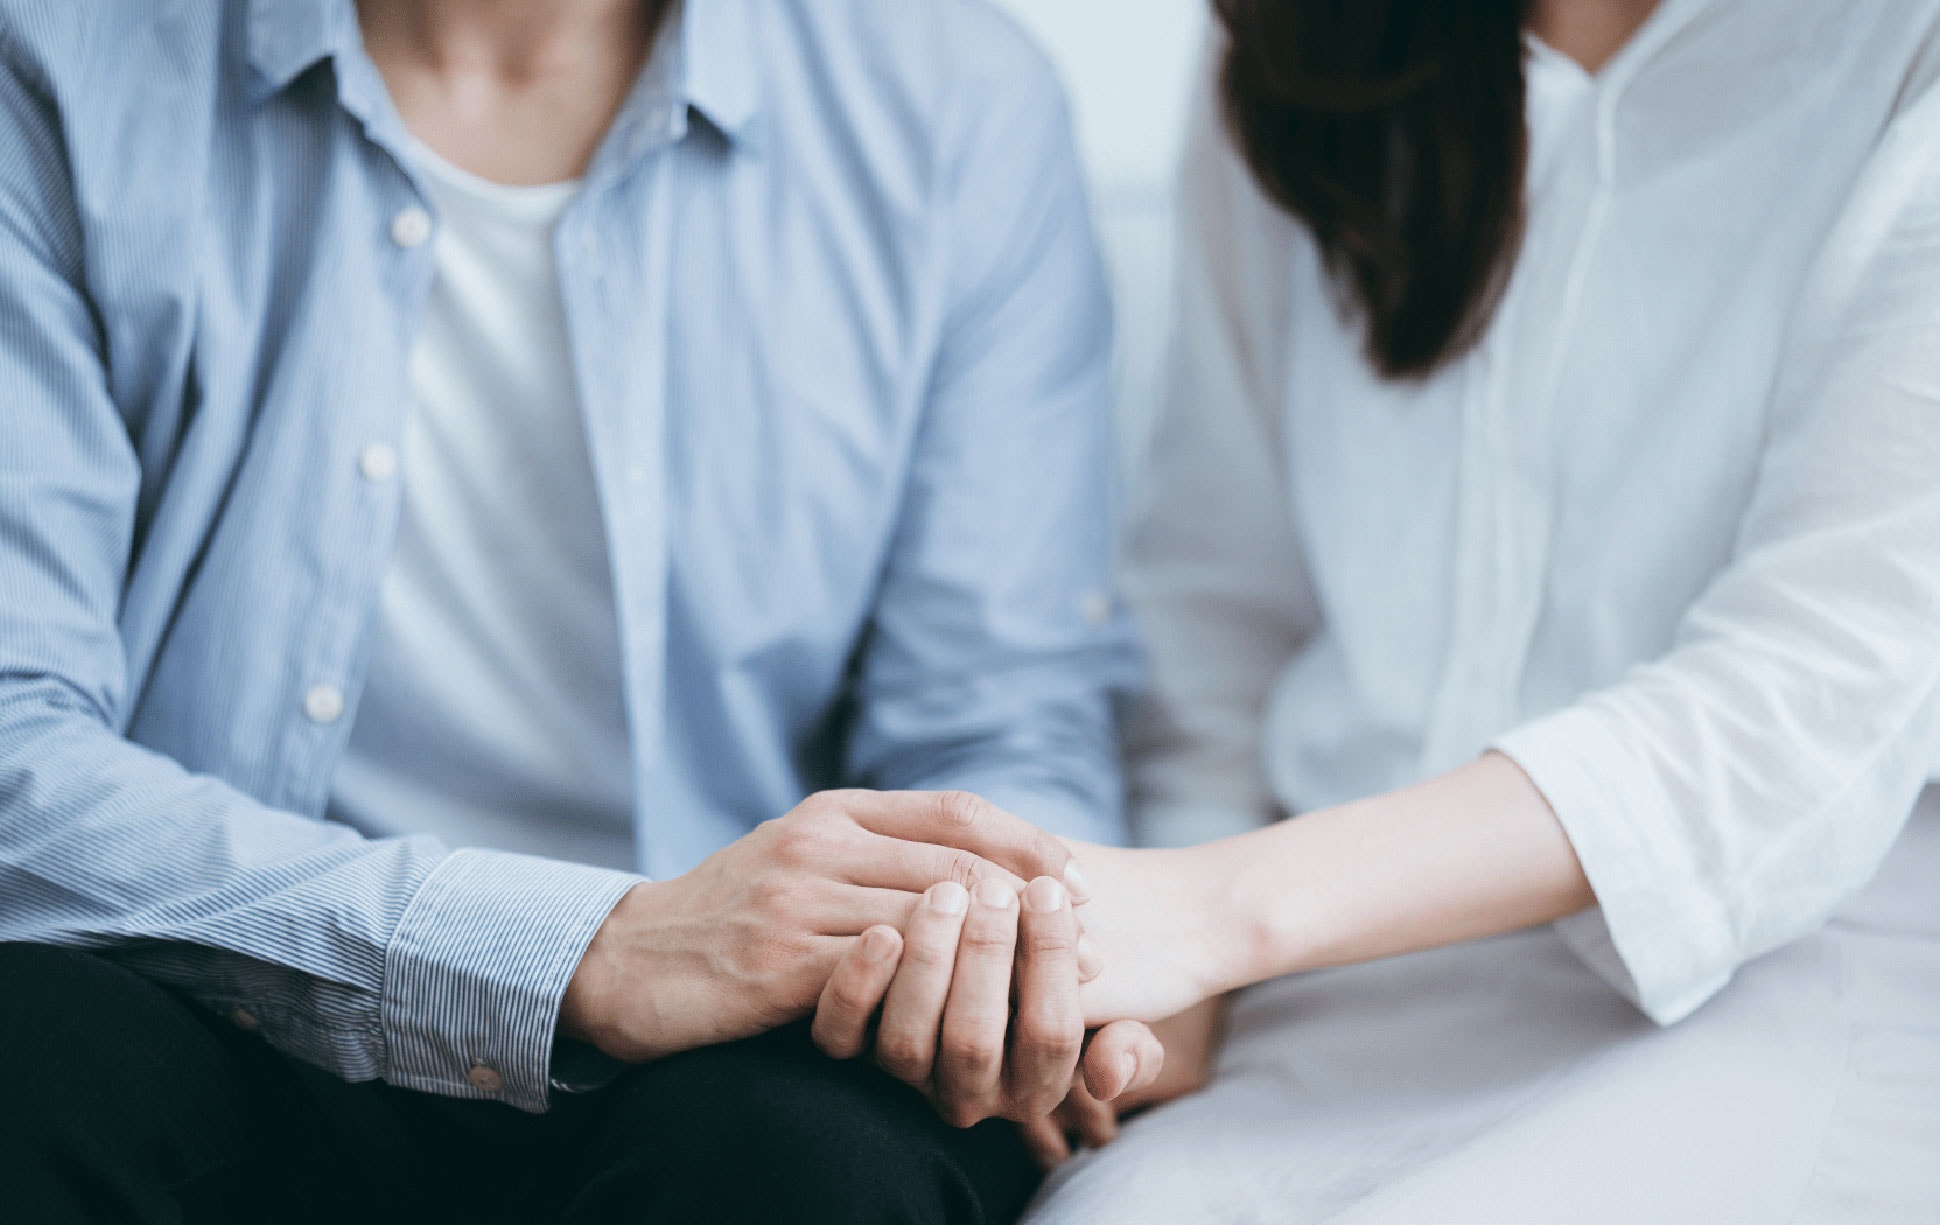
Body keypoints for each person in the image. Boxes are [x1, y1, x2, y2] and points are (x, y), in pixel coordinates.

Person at [0, 0, 1164, 1221]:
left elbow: (999, 719)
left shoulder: (952, 100)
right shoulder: (57, 60)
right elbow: (18, 751)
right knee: (28, 1057)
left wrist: (999, 962)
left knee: (809, 1167)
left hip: (754, 1038)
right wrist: (587, 951)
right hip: (227, 978)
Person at [818, 0, 1940, 1217]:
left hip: (1776, 967)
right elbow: (1217, 599)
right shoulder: (1299, 39)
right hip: (1318, 991)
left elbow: (1812, 700)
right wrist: (1171, 995)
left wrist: (1197, 910)